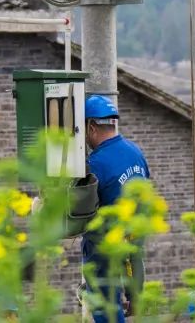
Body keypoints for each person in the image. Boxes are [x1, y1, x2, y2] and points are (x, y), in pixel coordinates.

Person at [83, 95, 151, 323]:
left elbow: (80, 209)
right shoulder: (135, 152)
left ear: (91, 126)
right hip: (134, 238)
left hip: (105, 248)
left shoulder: (96, 163)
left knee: (105, 309)